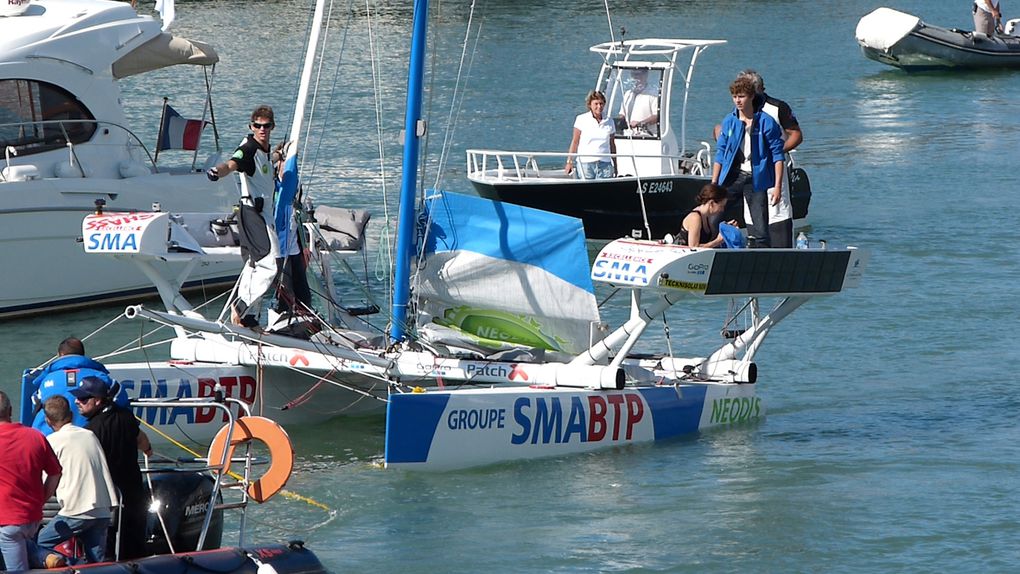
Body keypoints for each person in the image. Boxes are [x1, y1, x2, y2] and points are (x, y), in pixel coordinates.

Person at [207, 105, 282, 327]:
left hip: (262, 213)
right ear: (251, 127)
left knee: (253, 265)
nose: (262, 129)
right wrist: (217, 172)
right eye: (257, 126)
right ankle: (241, 306)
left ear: (272, 127)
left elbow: (266, 161)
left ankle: (248, 318)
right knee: (270, 263)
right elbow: (233, 163)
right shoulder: (248, 147)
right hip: (252, 213)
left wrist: (278, 155)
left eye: (266, 126)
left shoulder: (264, 149)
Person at [30, 396, 118, 566]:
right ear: (70, 415)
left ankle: (74, 565)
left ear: (48, 421)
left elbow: (43, 481)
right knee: (96, 563)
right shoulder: (89, 435)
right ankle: (84, 566)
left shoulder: (52, 442)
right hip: (102, 509)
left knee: (38, 544)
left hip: (76, 511)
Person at [72, 376, 152, 561]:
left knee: (107, 549)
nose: (77, 401)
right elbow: (142, 440)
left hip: (107, 498)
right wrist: (148, 450)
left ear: (98, 400)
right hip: (132, 492)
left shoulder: (91, 431)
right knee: (134, 547)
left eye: (83, 399)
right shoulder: (127, 417)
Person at [711, 76, 785, 248]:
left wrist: (778, 187)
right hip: (733, 176)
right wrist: (714, 183)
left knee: (760, 226)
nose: (738, 100)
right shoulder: (730, 121)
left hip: (756, 178)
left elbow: (778, 155)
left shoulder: (766, 121)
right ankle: (717, 248)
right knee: (716, 218)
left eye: (741, 96)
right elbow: (720, 153)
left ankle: (762, 255)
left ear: (751, 96)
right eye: (735, 96)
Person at [737, 69, 802, 248]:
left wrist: (775, 153)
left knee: (777, 214)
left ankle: (782, 255)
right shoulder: (738, 110)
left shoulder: (777, 107)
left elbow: (796, 135)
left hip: (774, 170)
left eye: (747, 92)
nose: (740, 98)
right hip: (749, 173)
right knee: (753, 217)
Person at [0, 390, 62, 571]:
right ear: (10, 411)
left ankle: (44, 557)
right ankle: (45, 557)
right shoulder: (35, 436)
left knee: (17, 568)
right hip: (31, 518)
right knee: (19, 543)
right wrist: (41, 499)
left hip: (6, 520)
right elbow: (55, 473)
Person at [29, 336, 127, 435]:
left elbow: (35, 407)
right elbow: (121, 399)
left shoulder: (45, 380)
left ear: (60, 355)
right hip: (89, 438)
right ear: (82, 355)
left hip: (46, 440)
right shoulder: (100, 377)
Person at [565, 90, 617, 179]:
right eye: (596, 104)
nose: (599, 107)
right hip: (586, 163)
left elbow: (612, 144)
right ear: (590, 105)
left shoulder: (609, 121)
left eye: (601, 104)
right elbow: (575, 142)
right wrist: (569, 162)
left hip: (605, 163)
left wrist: (615, 164)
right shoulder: (581, 119)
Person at [674, 184, 736, 248]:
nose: (722, 210)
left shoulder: (706, 217)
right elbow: (694, 247)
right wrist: (718, 241)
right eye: (721, 206)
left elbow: (709, 241)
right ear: (711, 203)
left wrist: (727, 228)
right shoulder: (695, 218)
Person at [617, 69, 660, 137]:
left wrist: (641, 123)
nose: (636, 78)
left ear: (646, 75)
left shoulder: (653, 94)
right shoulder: (628, 94)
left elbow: (657, 116)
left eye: (639, 75)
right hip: (628, 135)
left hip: (648, 136)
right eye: (634, 75)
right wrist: (619, 123)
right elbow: (622, 114)